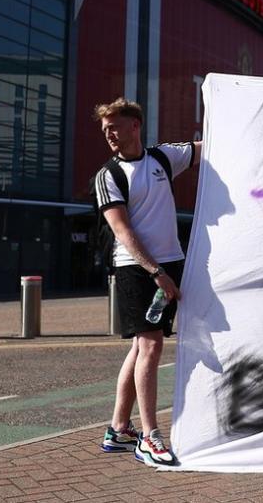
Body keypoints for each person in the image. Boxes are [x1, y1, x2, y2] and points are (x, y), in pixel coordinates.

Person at [93, 98, 201, 467]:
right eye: (105, 129)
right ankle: (150, 436)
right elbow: (122, 231)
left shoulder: (163, 158)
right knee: (151, 346)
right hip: (137, 268)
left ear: (135, 125)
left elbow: (208, 149)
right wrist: (157, 273)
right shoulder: (108, 175)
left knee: (141, 347)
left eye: (115, 127)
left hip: (170, 262)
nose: (109, 134)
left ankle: (119, 428)